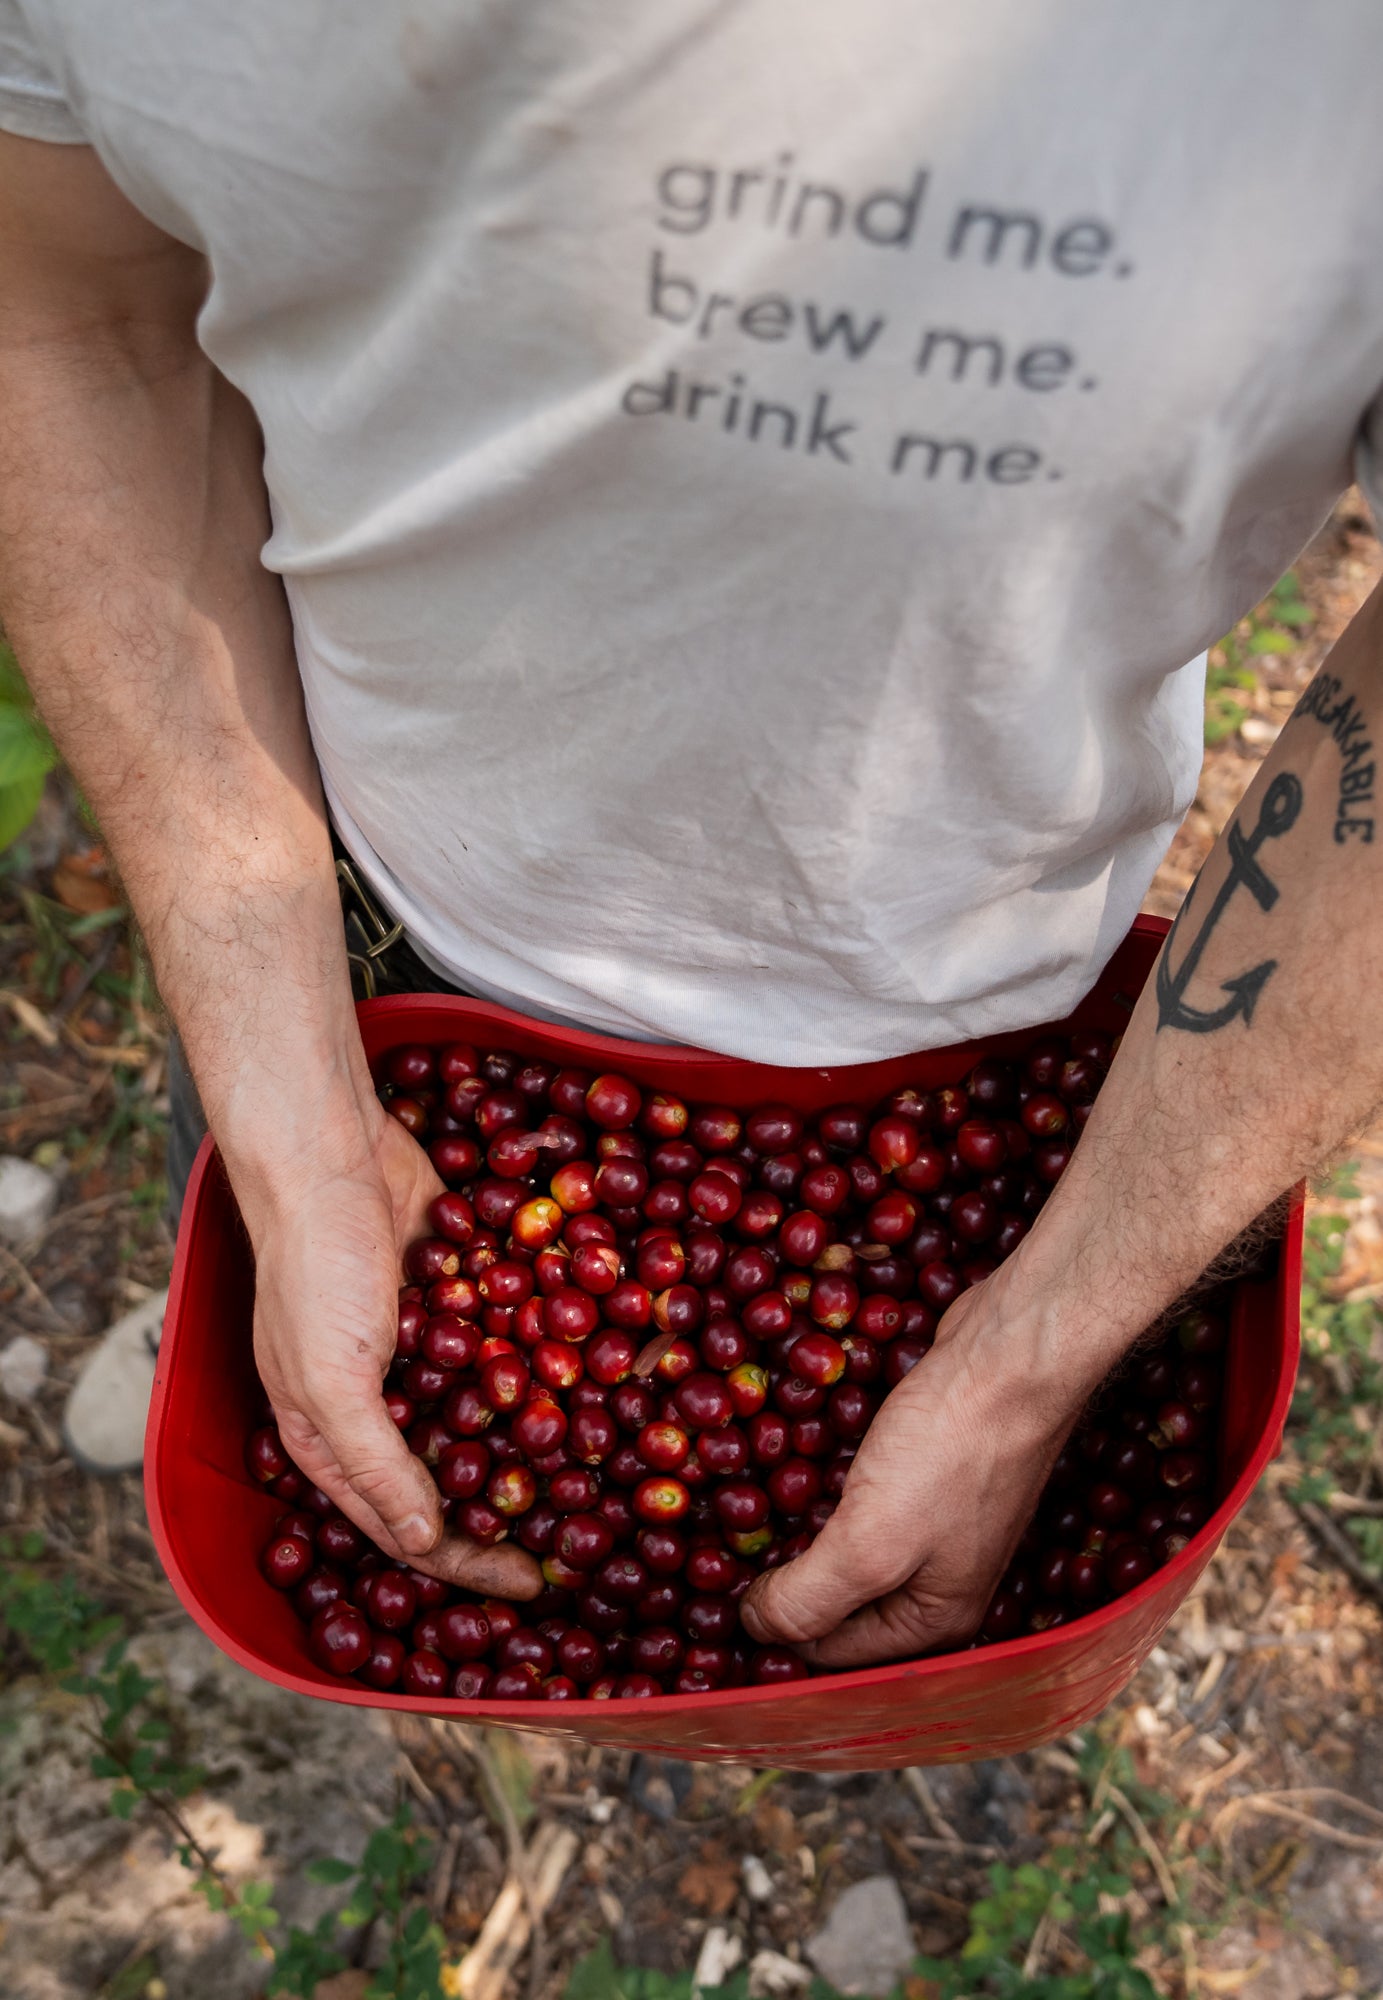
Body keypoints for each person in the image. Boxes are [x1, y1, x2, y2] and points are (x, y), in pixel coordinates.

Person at [2, 0, 1383, 1667]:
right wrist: (287, 1112)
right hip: (356, 968)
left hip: (1010, 1045)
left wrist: (1042, 1342)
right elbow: (68, 316)